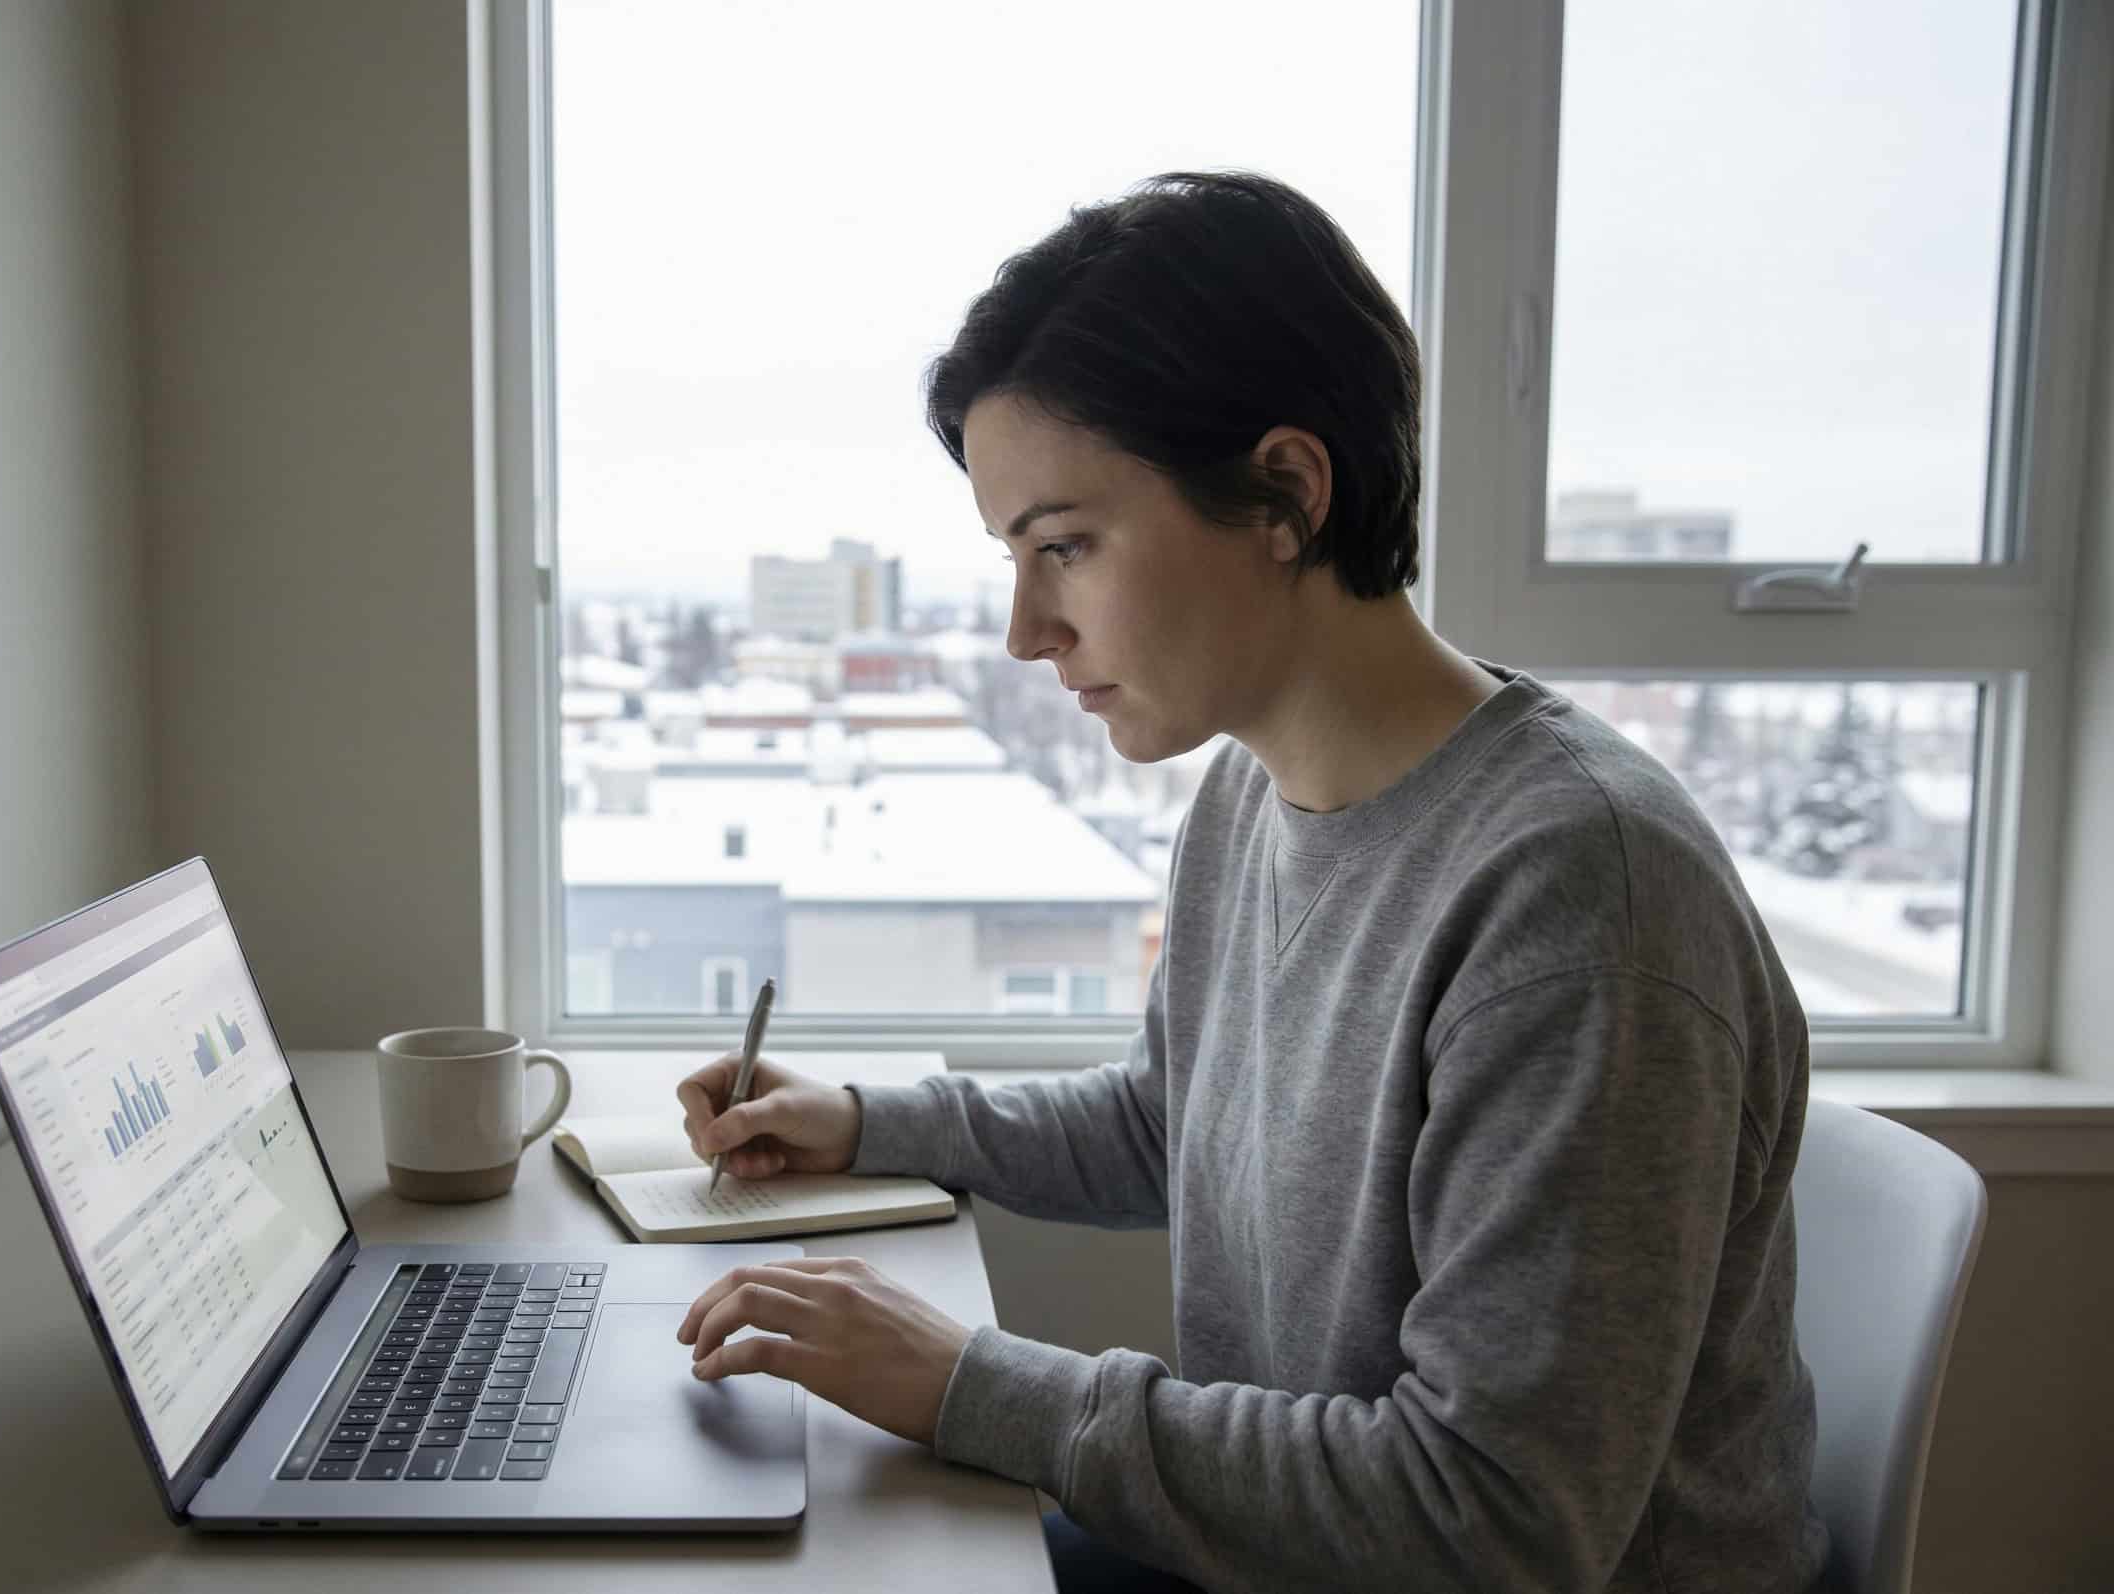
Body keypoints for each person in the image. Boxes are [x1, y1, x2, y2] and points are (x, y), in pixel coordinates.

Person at [670, 171, 1829, 1594]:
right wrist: (863, 1120)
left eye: (1066, 547)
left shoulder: (1579, 893)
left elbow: (1498, 1522)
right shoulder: (1251, 791)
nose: (1030, 630)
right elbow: (1175, 1122)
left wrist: (969, 1380)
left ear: (1285, 492)